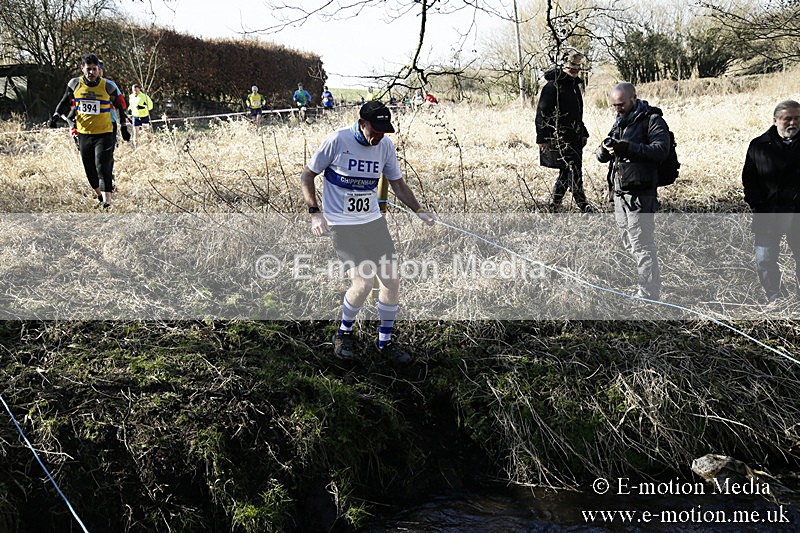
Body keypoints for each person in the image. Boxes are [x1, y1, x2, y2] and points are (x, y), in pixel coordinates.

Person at [299, 101, 436, 364]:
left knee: (391, 280)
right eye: (375, 130)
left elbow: (398, 184)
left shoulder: (384, 146)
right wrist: (315, 212)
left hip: (373, 222)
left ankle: (385, 342)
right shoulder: (337, 140)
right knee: (363, 283)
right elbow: (307, 176)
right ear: (362, 123)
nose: (379, 136)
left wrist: (419, 211)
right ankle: (343, 332)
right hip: (342, 224)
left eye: (384, 131)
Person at [596, 82, 670, 300]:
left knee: (641, 243)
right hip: (620, 192)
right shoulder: (619, 122)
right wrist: (604, 149)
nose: (617, 109)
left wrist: (628, 148)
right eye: (613, 106)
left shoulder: (652, 120)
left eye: (621, 105)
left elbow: (660, 150)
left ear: (634, 99)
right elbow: (601, 156)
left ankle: (648, 294)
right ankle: (647, 285)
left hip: (641, 193)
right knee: (629, 241)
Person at [49, 53, 130, 208]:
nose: (92, 72)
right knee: (89, 169)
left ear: (99, 70)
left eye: (95, 69)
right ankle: (99, 196)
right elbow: (65, 100)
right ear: (82, 69)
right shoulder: (74, 84)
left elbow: (120, 107)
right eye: (89, 69)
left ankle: (107, 202)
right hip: (84, 133)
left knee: (102, 165)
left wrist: (124, 128)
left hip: (105, 132)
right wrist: (55, 116)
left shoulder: (108, 86)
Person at [742, 100, 800, 304]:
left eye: (797, 118)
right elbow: (749, 179)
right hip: (769, 213)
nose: (793, 123)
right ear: (775, 121)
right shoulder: (758, 145)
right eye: (787, 119)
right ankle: (775, 298)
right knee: (764, 259)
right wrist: (758, 204)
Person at [535, 50, 592, 212]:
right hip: (559, 136)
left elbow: (576, 113)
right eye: (571, 67)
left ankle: (555, 204)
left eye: (577, 67)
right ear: (562, 66)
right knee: (572, 170)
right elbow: (542, 113)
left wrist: (583, 132)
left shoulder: (574, 86)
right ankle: (582, 204)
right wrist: (542, 138)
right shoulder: (552, 86)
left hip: (574, 136)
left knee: (567, 171)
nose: (574, 70)